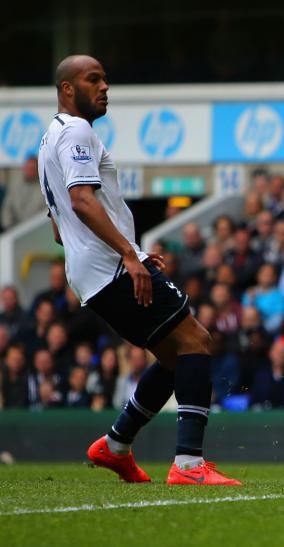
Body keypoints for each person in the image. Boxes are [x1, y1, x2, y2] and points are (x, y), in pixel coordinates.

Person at [37, 55, 238, 485]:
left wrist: (131, 251)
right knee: (195, 342)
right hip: (111, 268)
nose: (104, 86)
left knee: (171, 358)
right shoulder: (77, 131)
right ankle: (188, 465)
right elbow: (82, 201)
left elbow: (58, 229)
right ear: (68, 89)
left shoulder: (47, 140)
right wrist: (130, 254)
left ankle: (115, 446)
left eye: (106, 79)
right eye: (93, 79)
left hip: (89, 274)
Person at [1, 156, 47, 230]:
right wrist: (8, 227)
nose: (29, 171)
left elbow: (46, 214)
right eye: (27, 168)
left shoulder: (45, 189)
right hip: (13, 230)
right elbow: (7, 209)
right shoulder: (14, 186)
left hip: (35, 230)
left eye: (32, 169)